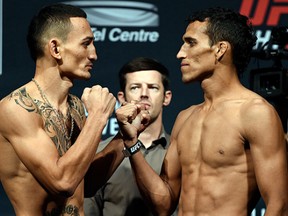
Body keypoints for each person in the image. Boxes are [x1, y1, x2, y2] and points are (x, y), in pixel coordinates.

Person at [118, 7, 288, 216]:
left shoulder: (255, 113)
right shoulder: (185, 118)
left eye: (191, 43)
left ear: (220, 49)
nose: (180, 53)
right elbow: (163, 205)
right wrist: (132, 145)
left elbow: (278, 205)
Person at [0, 3, 149, 215]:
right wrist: (98, 116)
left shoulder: (76, 106)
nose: (94, 55)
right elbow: (62, 183)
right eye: (86, 44)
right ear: (55, 49)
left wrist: (121, 140)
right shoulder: (17, 108)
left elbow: (85, 183)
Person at [84, 57, 178, 216]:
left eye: (153, 87)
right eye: (135, 87)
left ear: (166, 97)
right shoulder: (102, 152)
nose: (144, 94)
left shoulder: (179, 152)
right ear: (121, 98)